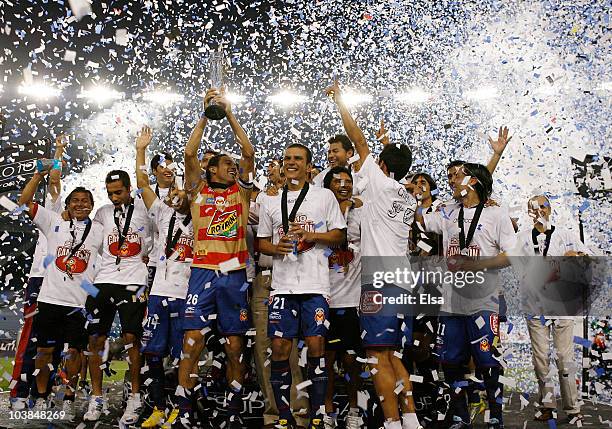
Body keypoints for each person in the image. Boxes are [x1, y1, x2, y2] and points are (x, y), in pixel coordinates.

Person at [326, 80, 423, 429]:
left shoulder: (381, 184)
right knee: (394, 354)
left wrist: (341, 103)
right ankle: (410, 421)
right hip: (403, 279)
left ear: (380, 165)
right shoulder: (405, 196)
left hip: (379, 280)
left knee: (376, 355)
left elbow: (358, 140)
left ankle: (394, 423)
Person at [414, 163, 516, 429]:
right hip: (451, 302)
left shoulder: (496, 214)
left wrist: (477, 264)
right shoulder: (448, 211)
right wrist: (412, 195)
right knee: (450, 359)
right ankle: (460, 414)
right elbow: (421, 220)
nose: (451, 180)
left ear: (473, 181)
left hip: (484, 300)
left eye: (457, 175)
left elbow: (512, 255)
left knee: (486, 358)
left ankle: (496, 415)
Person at [177, 88, 255, 428]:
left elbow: (248, 151)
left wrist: (230, 111)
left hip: (235, 275)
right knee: (191, 340)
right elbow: (190, 152)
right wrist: (207, 112)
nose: (233, 167)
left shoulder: (241, 192)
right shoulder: (199, 191)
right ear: (211, 171)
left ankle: (235, 401)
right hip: (202, 273)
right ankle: (184, 405)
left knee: (235, 343)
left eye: (233, 165)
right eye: (227, 164)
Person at [257, 141, 346, 429]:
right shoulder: (270, 200)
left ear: (309, 166)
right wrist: (276, 247)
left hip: (316, 285)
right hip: (282, 287)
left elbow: (338, 237)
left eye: (298, 158)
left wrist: (313, 236)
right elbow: (260, 244)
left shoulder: (324, 197)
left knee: (316, 345)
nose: (291, 162)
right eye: (287, 158)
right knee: (281, 348)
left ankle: (318, 413)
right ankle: (284, 416)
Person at [18, 169, 103, 420]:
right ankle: (42, 398)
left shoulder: (98, 229)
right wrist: (36, 176)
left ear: (91, 206)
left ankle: (68, 398)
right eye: (75, 200)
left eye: (85, 201)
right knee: (44, 351)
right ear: (66, 205)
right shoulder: (53, 221)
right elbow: (24, 203)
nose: (80, 204)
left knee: (75, 353)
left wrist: (95, 293)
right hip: (49, 299)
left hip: (78, 303)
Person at [134, 126, 193, 428]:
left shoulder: (202, 218)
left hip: (187, 294)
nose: (176, 196)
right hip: (159, 292)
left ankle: (182, 409)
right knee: (153, 353)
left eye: (181, 192)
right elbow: (143, 182)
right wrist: (141, 150)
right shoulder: (159, 212)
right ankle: (158, 406)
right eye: (172, 193)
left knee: (185, 356)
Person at [512, 194, 588, 424]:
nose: (538, 210)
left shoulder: (565, 235)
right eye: (533, 207)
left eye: (542, 206)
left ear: (550, 208)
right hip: (535, 304)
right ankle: (547, 405)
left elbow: (585, 257)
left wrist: (576, 256)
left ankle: (572, 407)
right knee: (541, 357)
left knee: (564, 356)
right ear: (529, 211)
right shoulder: (522, 238)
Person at [84, 169, 152, 424]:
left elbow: (157, 238)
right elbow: (94, 244)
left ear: (129, 188)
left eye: (119, 192)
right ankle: (97, 397)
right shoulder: (102, 212)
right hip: (103, 280)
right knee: (95, 339)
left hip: (134, 281)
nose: (114, 197)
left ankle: (134, 397)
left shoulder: (146, 210)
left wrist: (148, 256)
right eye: (110, 193)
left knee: (131, 338)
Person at [250, 160, 310, 428]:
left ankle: (299, 411)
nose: (281, 171)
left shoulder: (311, 197)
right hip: (266, 278)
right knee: (265, 345)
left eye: (287, 166)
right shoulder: (263, 200)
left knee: (292, 347)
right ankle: (274, 412)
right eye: (276, 167)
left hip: (296, 276)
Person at [10, 135, 66, 410]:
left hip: (65, 285)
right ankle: (19, 393)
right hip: (40, 279)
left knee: (55, 344)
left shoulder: (85, 225)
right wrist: (58, 150)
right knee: (31, 340)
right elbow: (54, 180)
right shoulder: (53, 212)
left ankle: (41, 393)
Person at [322, 167, 363, 429]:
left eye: (348, 181)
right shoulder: (318, 211)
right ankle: (327, 410)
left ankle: (355, 410)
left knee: (351, 361)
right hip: (323, 297)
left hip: (352, 299)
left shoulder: (361, 212)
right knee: (325, 359)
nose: (343, 185)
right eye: (337, 181)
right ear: (327, 187)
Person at [146, 151, 176, 290]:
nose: (168, 170)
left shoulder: (181, 193)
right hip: (151, 260)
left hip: (174, 260)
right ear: (154, 171)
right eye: (163, 166)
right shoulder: (144, 194)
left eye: (171, 167)